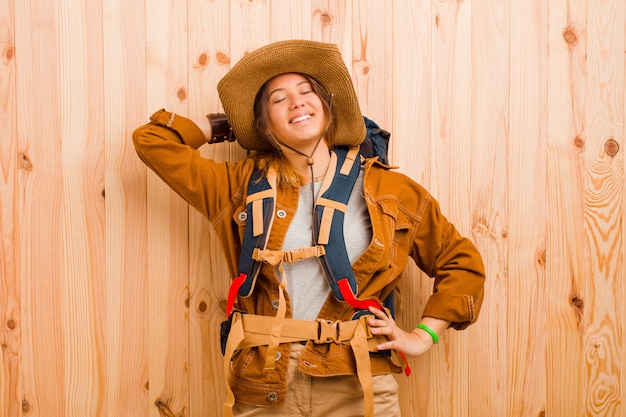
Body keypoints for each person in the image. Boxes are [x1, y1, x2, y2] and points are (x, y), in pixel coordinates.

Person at [133, 39, 485, 417]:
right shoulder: (235, 187)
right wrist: (229, 125)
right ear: (264, 126)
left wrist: (421, 336)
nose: (297, 102)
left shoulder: (390, 190)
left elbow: (462, 265)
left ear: (327, 109)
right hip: (264, 383)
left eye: (306, 92)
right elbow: (152, 141)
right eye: (278, 99)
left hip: (357, 379)